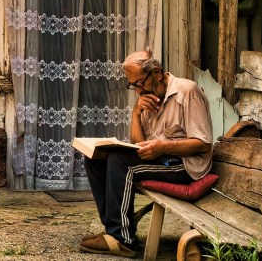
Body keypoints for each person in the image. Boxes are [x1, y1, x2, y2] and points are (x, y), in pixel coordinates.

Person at [79, 50, 213, 258]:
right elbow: (138, 144)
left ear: (157, 73)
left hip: (185, 165)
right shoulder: (148, 98)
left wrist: (163, 147)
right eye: (132, 85)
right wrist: (136, 113)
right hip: (161, 159)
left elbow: (203, 144)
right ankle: (113, 230)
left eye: (139, 83)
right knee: (96, 159)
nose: (137, 90)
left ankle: (122, 239)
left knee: (121, 162)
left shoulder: (187, 92)